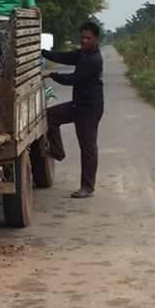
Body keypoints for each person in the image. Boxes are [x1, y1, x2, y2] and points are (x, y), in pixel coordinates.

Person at [42, 22, 104, 199]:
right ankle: (57, 152)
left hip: (90, 109)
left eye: (88, 38)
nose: (84, 41)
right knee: (50, 116)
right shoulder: (83, 53)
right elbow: (65, 57)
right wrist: (43, 53)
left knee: (88, 147)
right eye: (82, 37)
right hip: (78, 105)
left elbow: (74, 79)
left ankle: (87, 187)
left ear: (96, 39)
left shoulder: (94, 60)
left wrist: (52, 75)